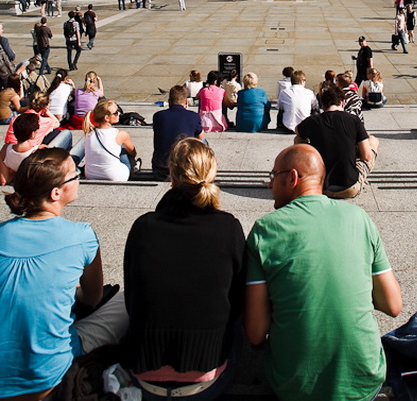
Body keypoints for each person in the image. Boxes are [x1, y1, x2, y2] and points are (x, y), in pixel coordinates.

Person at [245, 144, 402, 401]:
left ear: (293, 178)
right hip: (363, 381)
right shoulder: (359, 218)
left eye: (274, 176)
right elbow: (393, 305)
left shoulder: (265, 229)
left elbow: (255, 333)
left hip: (293, 386)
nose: (270, 184)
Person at [0, 148, 128, 399]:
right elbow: (91, 298)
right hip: (49, 374)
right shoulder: (81, 236)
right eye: (75, 174)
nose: (79, 175)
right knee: (127, 300)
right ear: (55, 192)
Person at [123, 138, 245, 399]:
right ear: (213, 173)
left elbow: (132, 297)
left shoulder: (143, 227)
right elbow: (238, 300)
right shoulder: (229, 228)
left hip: (145, 373)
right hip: (207, 376)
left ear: (172, 175)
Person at [295, 86, 380, 198]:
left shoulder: (313, 120)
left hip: (320, 187)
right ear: (342, 102)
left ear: (323, 105)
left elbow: (297, 130)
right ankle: (358, 177)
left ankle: (306, 172)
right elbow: (367, 156)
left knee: (298, 138)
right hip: (349, 187)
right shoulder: (353, 119)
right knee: (373, 140)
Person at [152, 84, 203, 179]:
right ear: (186, 102)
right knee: (203, 142)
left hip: (161, 168)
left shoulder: (158, 116)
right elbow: (200, 137)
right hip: (185, 168)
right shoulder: (194, 116)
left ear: (169, 101)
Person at [83, 99, 137, 181]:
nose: (119, 114)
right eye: (116, 113)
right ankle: (135, 168)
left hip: (90, 174)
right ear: (107, 118)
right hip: (115, 176)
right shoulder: (120, 134)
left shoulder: (89, 133)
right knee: (123, 149)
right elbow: (133, 153)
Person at [0, 110, 41, 184]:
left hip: (16, 168)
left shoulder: (5, 149)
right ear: (32, 134)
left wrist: (16, 173)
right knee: (65, 134)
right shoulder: (37, 152)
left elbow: (3, 181)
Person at [0, 22, 17, 88]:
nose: (2, 30)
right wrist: (13, 53)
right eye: (1, 28)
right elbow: (11, 56)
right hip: (4, 72)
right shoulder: (3, 40)